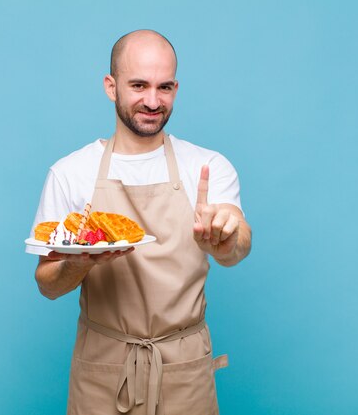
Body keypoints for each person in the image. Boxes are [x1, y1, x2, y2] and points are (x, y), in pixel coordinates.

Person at [27, 29, 252, 415]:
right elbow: (47, 284)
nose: (152, 101)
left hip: (183, 367)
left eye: (164, 87)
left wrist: (227, 237)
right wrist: (78, 262)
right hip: (104, 365)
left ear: (176, 88)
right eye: (138, 85)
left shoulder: (208, 167)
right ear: (111, 87)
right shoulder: (70, 173)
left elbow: (237, 246)